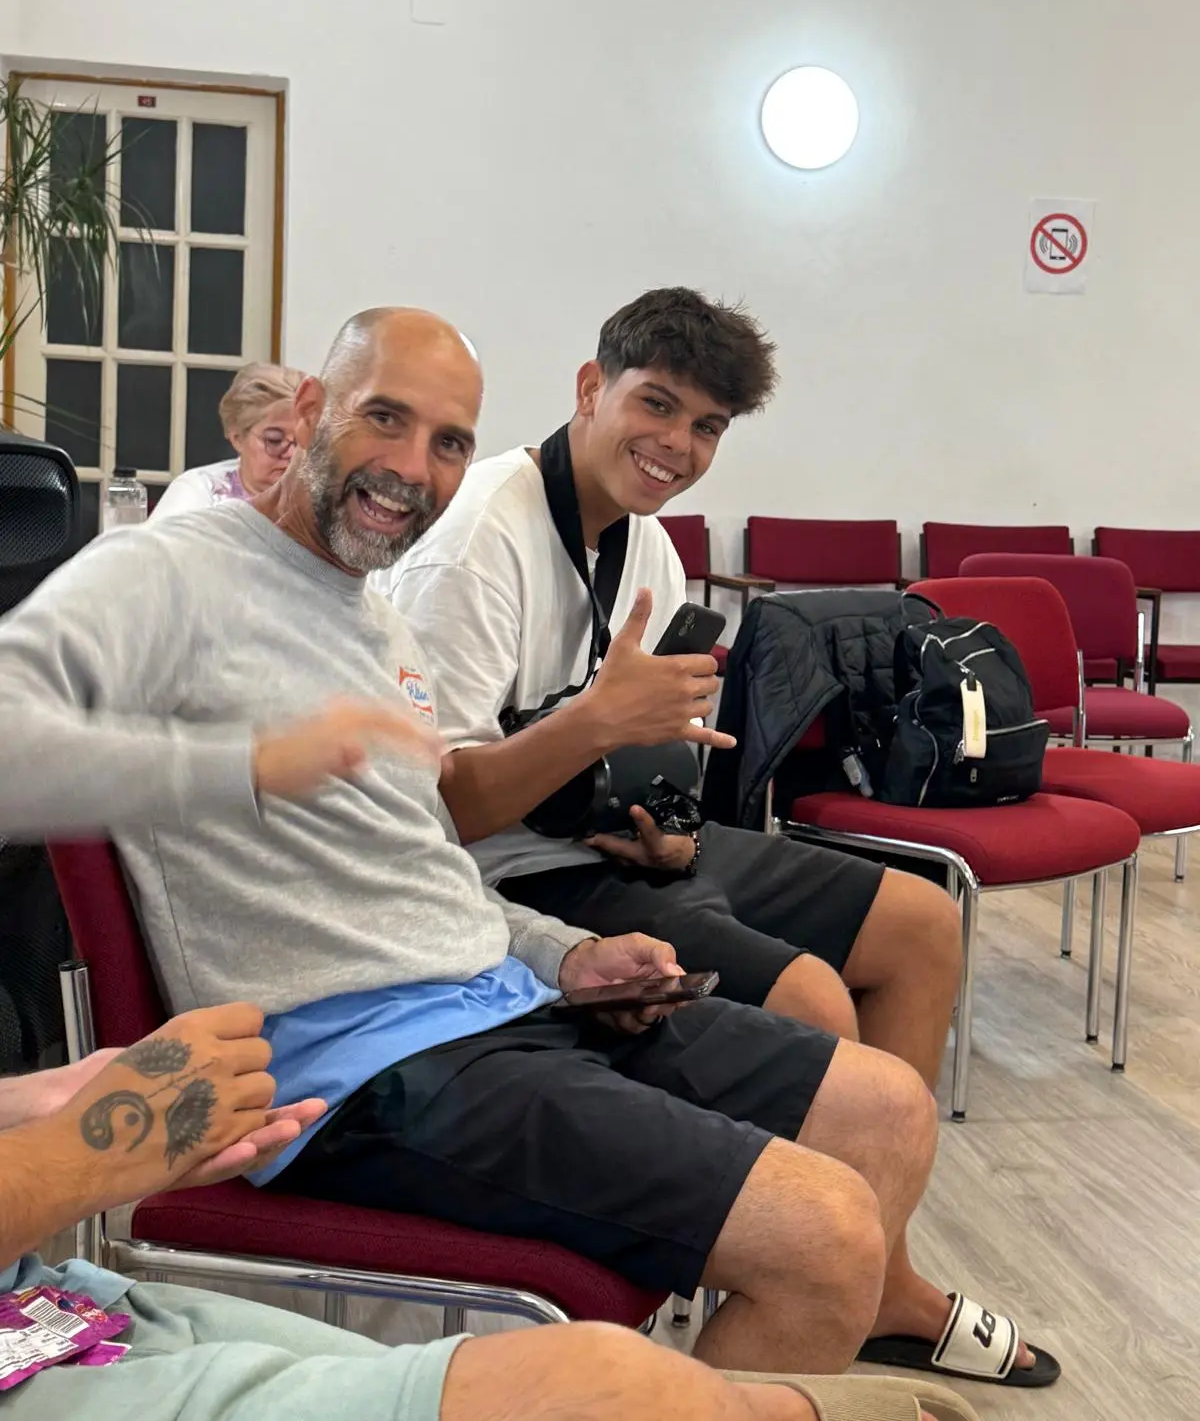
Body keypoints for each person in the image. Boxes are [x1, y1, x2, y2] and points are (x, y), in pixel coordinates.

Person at [0, 306, 999, 1390]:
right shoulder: (172, 571)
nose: (412, 468)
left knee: (887, 1112)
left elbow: (425, 865)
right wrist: (243, 764)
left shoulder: (375, 619)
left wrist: (567, 955)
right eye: (385, 418)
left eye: (449, 442)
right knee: (828, 1239)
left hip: (501, 1000)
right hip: (356, 1069)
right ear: (309, 410)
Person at [376, 287, 1058, 1388]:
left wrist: (672, 831)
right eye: (657, 405)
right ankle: (821, 1267)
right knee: (814, 1003)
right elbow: (437, 810)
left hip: (612, 847)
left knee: (922, 923)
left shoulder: (648, 549)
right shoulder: (478, 542)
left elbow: (658, 753)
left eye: (707, 427)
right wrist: (594, 724)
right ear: (590, 389)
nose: (679, 446)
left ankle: (879, 1274)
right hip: (509, 874)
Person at [0, 1018, 982, 1421]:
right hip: (373, 1057)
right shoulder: (193, 676)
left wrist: (37, 1103)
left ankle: (886, 1301)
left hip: (503, 998)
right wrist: (81, 1152)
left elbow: (452, 889)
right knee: (612, 1388)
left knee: (882, 1103)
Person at [153, 363, 302, 518]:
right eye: (274, 440)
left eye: (304, 441)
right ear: (238, 438)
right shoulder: (199, 492)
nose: (292, 454)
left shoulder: (317, 494)